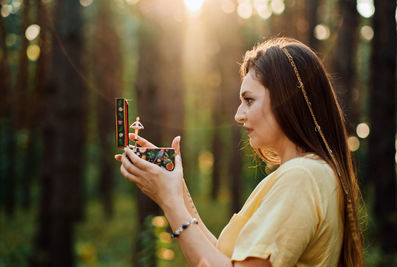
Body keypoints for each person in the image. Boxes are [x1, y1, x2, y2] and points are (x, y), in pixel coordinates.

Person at [114, 37, 364, 267]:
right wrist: (176, 190)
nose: (238, 115)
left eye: (249, 100)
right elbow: (224, 259)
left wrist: (169, 202)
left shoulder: (301, 177)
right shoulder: (309, 173)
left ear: (286, 99)